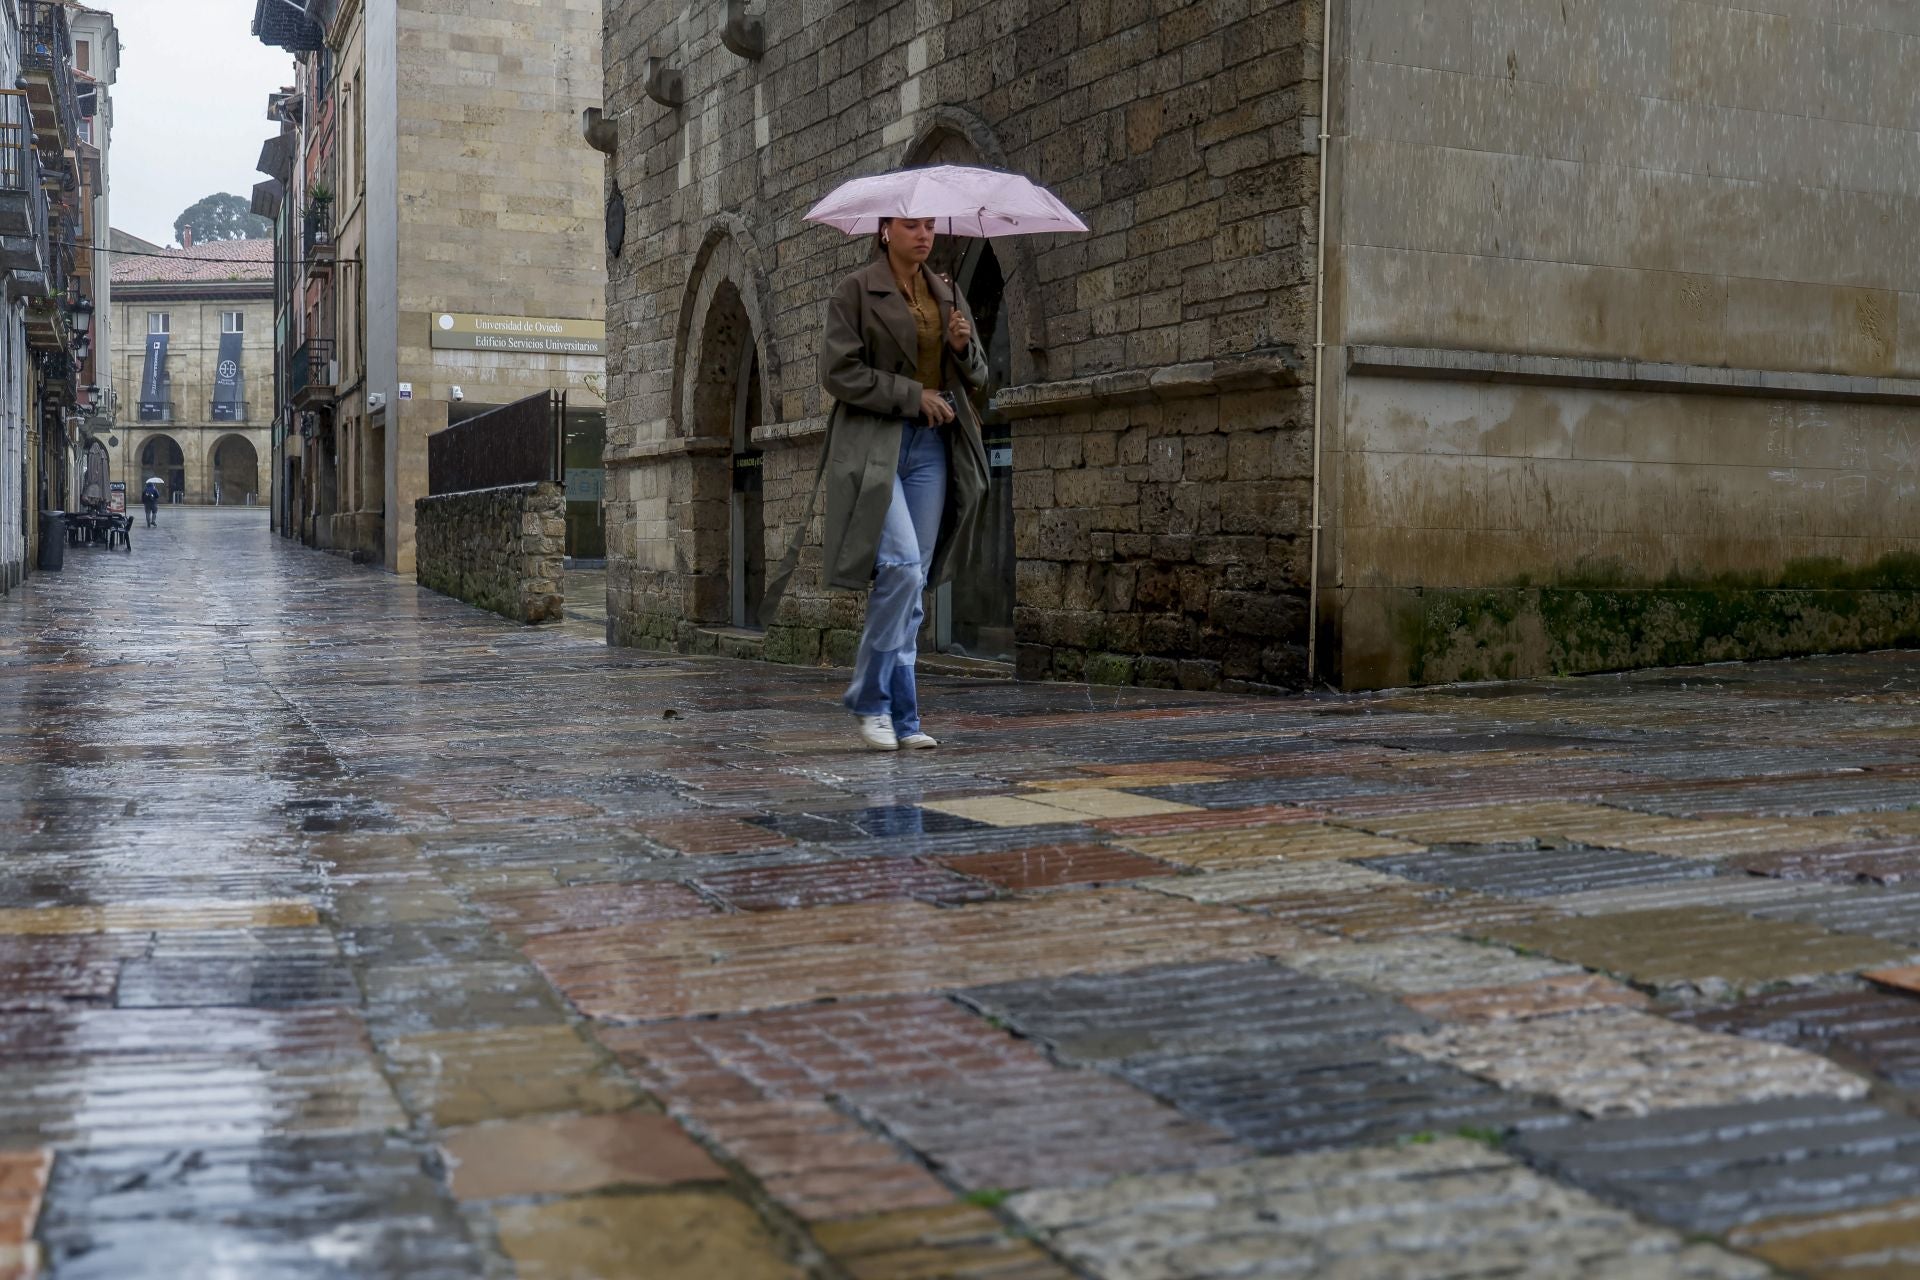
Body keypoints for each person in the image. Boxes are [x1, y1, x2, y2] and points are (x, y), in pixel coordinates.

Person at [816, 215, 992, 751]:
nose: (923, 234)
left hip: (933, 450)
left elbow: (979, 377)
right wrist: (911, 394)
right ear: (885, 231)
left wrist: (963, 347)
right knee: (899, 567)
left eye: (929, 226)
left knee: (911, 585)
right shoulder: (855, 292)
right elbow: (837, 372)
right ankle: (870, 701)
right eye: (911, 225)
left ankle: (905, 719)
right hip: (876, 447)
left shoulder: (948, 293)